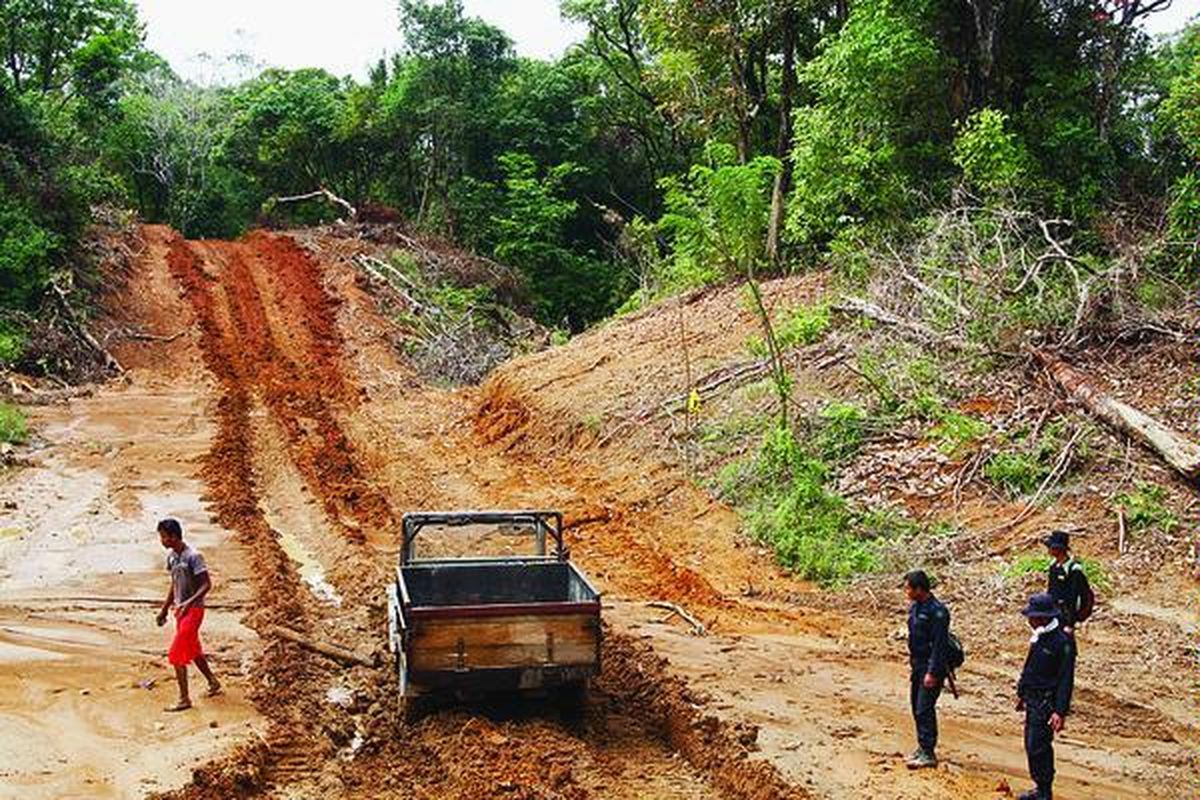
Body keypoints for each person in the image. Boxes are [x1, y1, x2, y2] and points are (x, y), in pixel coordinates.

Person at [1015, 592, 1076, 800]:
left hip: (1046, 702)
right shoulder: (1040, 636)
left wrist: (1060, 711)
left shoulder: (1062, 641)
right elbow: (1030, 667)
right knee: (1031, 745)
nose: (1029, 620)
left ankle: (1044, 790)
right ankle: (1040, 787)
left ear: (1043, 617)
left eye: (1032, 617)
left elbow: (1066, 678)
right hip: (1032, 698)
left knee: (1038, 746)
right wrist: (1022, 692)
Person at [156, 518, 221, 711]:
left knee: (176, 655)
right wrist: (164, 609)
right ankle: (213, 682)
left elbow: (206, 584)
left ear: (174, 536)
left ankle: (184, 699)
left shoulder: (194, 556)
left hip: (193, 611)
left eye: (164, 536)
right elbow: (174, 584)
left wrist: (188, 602)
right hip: (180, 612)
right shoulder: (172, 558)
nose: (162, 540)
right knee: (193, 650)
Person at [903, 569, 950, 769]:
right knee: (915, 706)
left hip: (931, 667)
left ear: (919, 589)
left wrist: (932, 672)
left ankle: (928, 752)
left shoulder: (937, 612)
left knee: (924, 708)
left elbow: (940, 645)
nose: (906, 592)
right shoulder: (916, 607)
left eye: (908, 588)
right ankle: (922, 746)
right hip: (917, 664)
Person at [1043, 530, 1090, 635]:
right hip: (1054, 612)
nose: (1048, 550)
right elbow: (1051, 590)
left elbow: (1074, 597)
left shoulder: (1074, 570)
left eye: (1050, 547)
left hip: (1066, 613)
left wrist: (1071, 622)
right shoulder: (1054, 566)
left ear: (1058, 549)